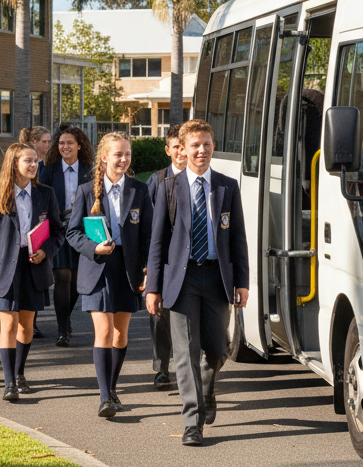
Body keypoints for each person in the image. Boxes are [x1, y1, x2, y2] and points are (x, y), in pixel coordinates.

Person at [145, 119, 249, 446]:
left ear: (213, 146)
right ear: (184, 149)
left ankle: (207, 389)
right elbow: (157, 241)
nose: (200, 150)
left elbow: (238, 240)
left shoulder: (227, 187)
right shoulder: (169, 188)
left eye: (206, 144)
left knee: (217, 349)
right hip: (182, 278)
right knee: (185, 351)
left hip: (217, 278)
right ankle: (193, 420)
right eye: (194, 145)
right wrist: (153, 287)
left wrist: (242, 281)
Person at [66, 132, 153, 419]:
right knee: (103, 331)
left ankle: (112, 388)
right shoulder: (86, 191)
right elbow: (72, 233)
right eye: (118, 154)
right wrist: (94, 248)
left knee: (120, 333)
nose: (124, 159)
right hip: (98, 269)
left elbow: (149, 236)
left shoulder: (139, 190)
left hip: (127, 270)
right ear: (104, 157)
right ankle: (104, 397)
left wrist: (147, 271)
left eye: (127, 154)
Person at [0, 143, 64, 401]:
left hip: (34, 267)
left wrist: (45, 251)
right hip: (5, 268)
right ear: (14, 163)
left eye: (36, 161)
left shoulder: (46, 193)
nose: (34, 165)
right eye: (28, 160)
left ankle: (19, 373)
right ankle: (8, 383)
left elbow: (58, 231)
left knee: (26, 325)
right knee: (8, 324)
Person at [39, 124, 94, 346]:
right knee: (62, 277)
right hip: (58, 229)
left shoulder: (90, 169)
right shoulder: (49, 169)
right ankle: (63, 330)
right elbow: (42, 199)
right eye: (61, 143)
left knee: (76, 281)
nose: (65, 147)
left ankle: (66, 318)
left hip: (82, 230)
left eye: (70, 143)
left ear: (79, 145)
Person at [144, 125, 185, 389]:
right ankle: (161, 368)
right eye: (176, 147)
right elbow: (149, 227)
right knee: (161, 315)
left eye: (185, 145)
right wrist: (148, 268)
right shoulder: (158, 181)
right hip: (166, 262)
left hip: (193, 262)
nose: (181, 152)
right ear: (168, 150)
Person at [19, 127, 54, 339]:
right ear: (34, 141)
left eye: (50, 141)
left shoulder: (45, 170)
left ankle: (33, 321)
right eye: (44, 141)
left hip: (38, 238)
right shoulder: (29, 164)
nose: (47, 146)